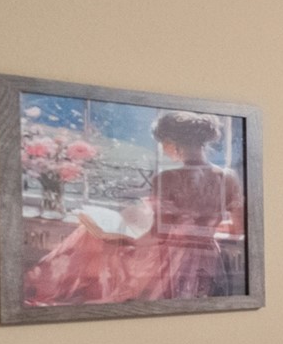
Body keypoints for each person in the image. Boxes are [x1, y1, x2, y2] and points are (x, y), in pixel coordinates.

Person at [24, 109, 244, 305]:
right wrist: (203, 228)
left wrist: (119, 237)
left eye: (163, 144)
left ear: (172, 143)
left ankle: (51, 287)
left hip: (171, 263)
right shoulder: (228, 177)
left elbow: (156, 235)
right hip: (210, 261)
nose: (164, 149)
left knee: (92, 240)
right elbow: (238, 229)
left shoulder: (167, 178)